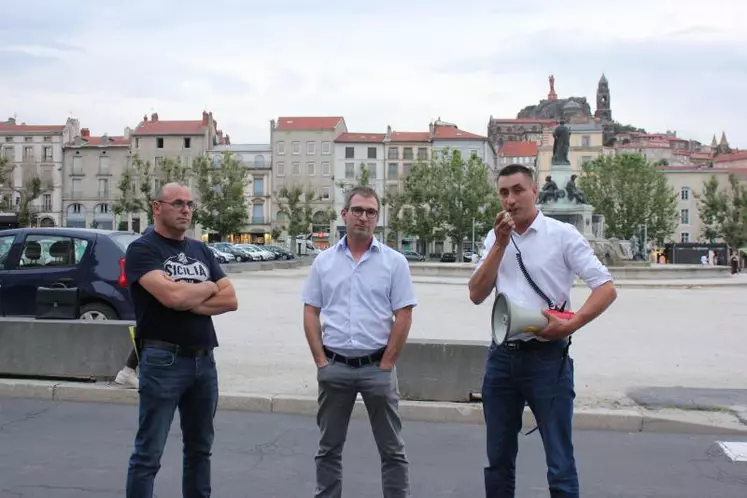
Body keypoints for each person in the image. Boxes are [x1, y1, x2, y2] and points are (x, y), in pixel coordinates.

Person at [468, 164, 617, 498]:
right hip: (502, 357)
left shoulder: (562, 235)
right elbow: (477, 294)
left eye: (518, 190)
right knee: (498, 460)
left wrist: (571, 323)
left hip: (548, 360)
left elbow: (605, 287)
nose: (510, 199)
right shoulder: (496, 237)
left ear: (535, 192)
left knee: (559, 461)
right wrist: (500, 245)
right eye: (504, 192)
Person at [301, 186, 418, 498]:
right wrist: (321, 363)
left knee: (392, 449)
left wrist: (387, 363)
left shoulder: (394, 262)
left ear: (377, 218)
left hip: (377, 368)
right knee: (328, 449)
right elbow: (311, 312)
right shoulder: (323, 262)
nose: (363, 217)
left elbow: (403, 314)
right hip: (335, 366)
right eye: (358, 210)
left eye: (370, 212)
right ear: (344, 214)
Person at [124, 183, 238, 498]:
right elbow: (172, 297)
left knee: (200, 450)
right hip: (163, 361)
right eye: (178, 203)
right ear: (157, 207)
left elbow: (231, 299)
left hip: (204, 360)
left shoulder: (201, 250)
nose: (186, 209)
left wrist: (186, 297)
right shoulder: (143, 249)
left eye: (189, 204)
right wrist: (206, 288)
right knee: (148, 454)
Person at [114, 224, 157, 390]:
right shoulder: (147, 252)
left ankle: (128, 371)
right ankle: (128, 371)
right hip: (146, 299)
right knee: (146, 332)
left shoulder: (144, 248)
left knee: (145, 331)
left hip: (143, 297)